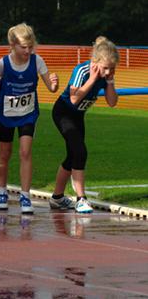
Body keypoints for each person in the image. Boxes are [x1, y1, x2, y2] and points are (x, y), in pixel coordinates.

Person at [0, 23, 58, 214]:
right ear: (12, 45)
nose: (27, 51)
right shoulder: (3, 63)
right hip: (7, 114)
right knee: (5, 153)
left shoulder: (37, 61)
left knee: (25, 152)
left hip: (28, 113)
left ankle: (25, 196)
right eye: (23, 47)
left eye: (30, 47)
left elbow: (51, 87)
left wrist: (54, 84)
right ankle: (1, 192)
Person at [49, 36, 119, 214]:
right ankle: (81, 199)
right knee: (80, 151)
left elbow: (112, 102)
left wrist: (110, 81)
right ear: (95, 62)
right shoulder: (81, 71)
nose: (107, 72)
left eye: (111, 69)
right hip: (63, 112)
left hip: (78, 116)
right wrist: (92, 79)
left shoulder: (107, 76)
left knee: (73, 155)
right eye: (105, 68)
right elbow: (73, 99)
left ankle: (57, 198)